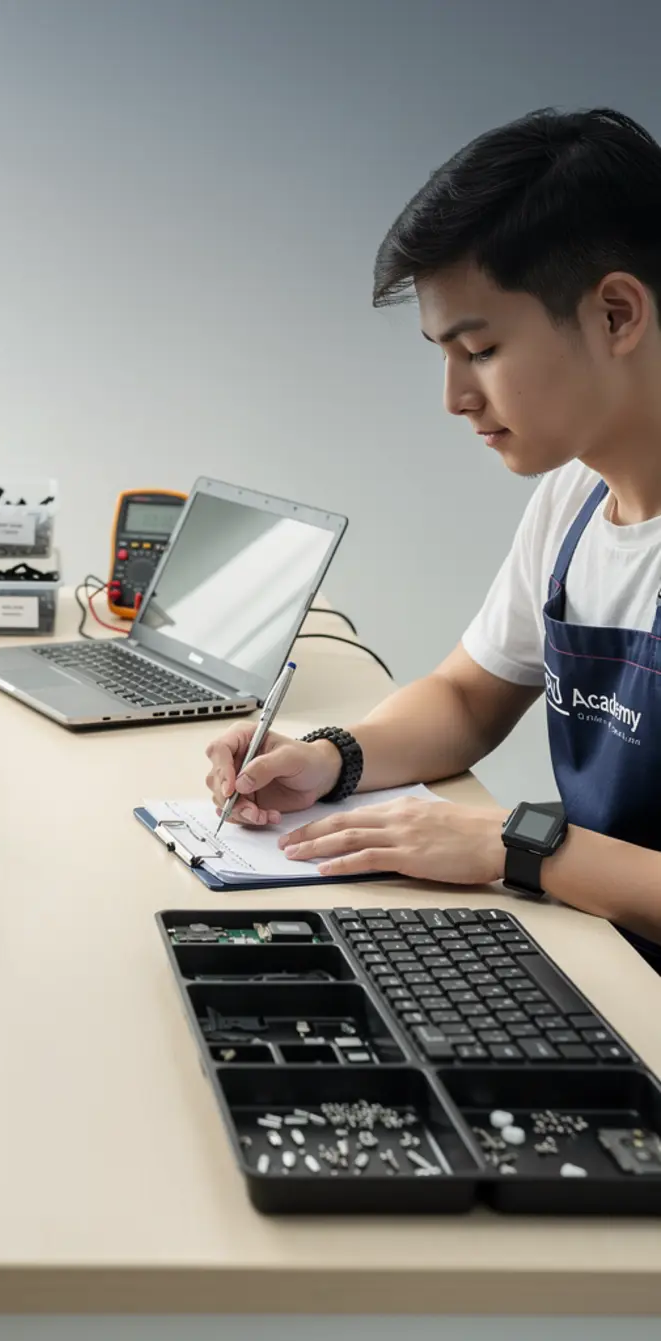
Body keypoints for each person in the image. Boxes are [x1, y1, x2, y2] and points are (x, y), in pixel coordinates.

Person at [206, 106, 661, 963]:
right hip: (609, 963)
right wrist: (329, 758)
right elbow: (465, 697)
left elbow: (523, 842)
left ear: (613, 314)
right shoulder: (573, 497)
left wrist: (520, 846)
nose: (453, 396)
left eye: (480, 348)